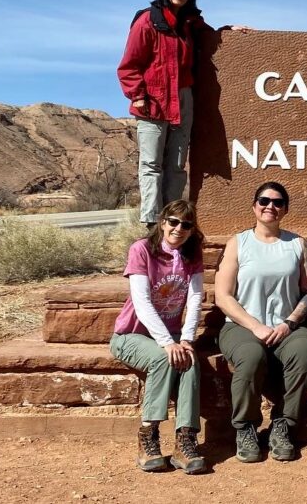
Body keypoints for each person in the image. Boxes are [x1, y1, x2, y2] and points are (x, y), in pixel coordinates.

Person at [117, 0, 249, 226]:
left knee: (177, 164)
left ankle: (172, 217)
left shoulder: (190, 23)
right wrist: (138, 95)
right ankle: (152, 222)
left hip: (183, 99)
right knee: (152, 163)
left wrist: (229, 30)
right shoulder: (148, 20)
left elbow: (211, 39)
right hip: (152, 100)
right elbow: (129, 65)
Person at [214, 182, 307, 463]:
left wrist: (288, 323)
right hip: (241, 325)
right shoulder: (238, 243)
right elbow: (223, 296)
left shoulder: (297, 244)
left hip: (286, 326)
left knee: (302, 351)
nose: (270, 206)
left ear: (285, 209)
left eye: (278, 202)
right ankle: (245, 426)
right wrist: (255, 326)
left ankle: (283, 425)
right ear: (254, 206)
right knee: (250, 355)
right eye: (264, 200)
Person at [110, 199, 206, 474]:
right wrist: (167, 343)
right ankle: (148, 436)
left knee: (189, 360)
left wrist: (186, 339)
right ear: (163, 222)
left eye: (186, 225)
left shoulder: (192, 253)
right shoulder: (141, 250)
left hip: (174, 334)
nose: (179, 229)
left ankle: (185, 441)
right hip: (131, 334)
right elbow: (142, 303)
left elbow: (196, 298)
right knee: (164, 360)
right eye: (173, 222)